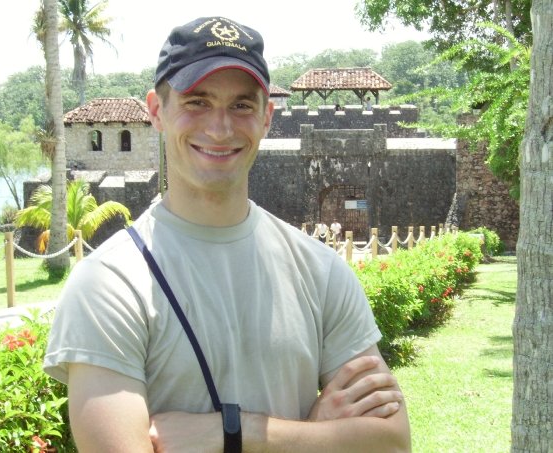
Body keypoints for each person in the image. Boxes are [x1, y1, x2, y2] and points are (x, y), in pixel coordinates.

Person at [43, 16, 411, 452]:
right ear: (157, 111)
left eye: (241, 106)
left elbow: (392, 443)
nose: (220, 129)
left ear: (267, 117)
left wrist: (237, 432)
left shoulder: (320, 271)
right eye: (197, 102)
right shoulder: (110, 284)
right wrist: (315, 433)